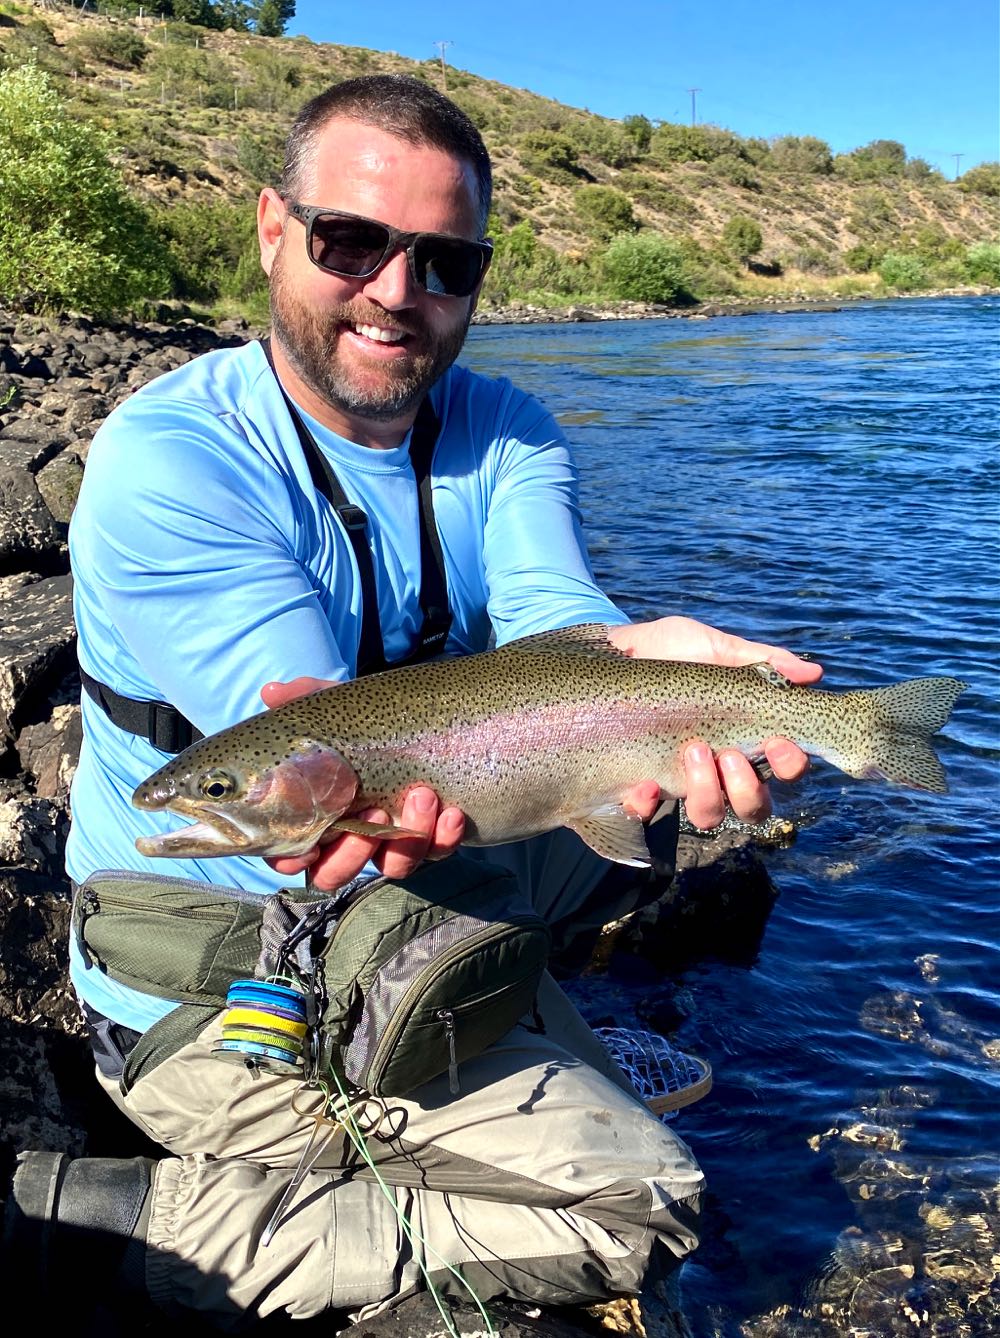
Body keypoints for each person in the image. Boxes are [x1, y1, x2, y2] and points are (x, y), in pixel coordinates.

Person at [7, 75, 820, 1326]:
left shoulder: (505, 428)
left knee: (647, 814)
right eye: (352, 241)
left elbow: (557, 623)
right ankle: (120, 1222)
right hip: (225, 980)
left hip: (401, 875)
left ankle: (516, 1031)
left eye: (445, 260)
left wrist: (645, 670)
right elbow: (306, 729)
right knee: (640, 1206)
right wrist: (298, 770)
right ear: (273, 229)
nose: (397, 290)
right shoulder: (172, 459)